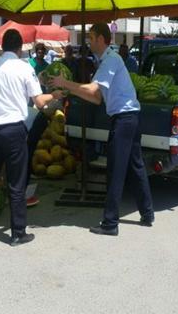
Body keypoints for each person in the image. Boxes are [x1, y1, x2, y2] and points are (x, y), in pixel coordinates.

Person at [50, 23, 154, 236]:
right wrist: (70, 91)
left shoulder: (110, 60)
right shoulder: (106, 61)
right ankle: (147, 213)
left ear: (100, 39)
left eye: (90, 37)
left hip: (124, 119)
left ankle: (110, 223)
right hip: (130, 117)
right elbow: (96, 98)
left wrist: (65, 82)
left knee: (115, 169)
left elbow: (92, 90)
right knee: (136, 165)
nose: (88, 41)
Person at [0, 29, 60, 248]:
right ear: (19, 47)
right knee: (16, 183)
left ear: (3, 46)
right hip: (14, 130)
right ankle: (17, 233)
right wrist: (56, 94)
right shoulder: (24, 68)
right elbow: (40, 102)